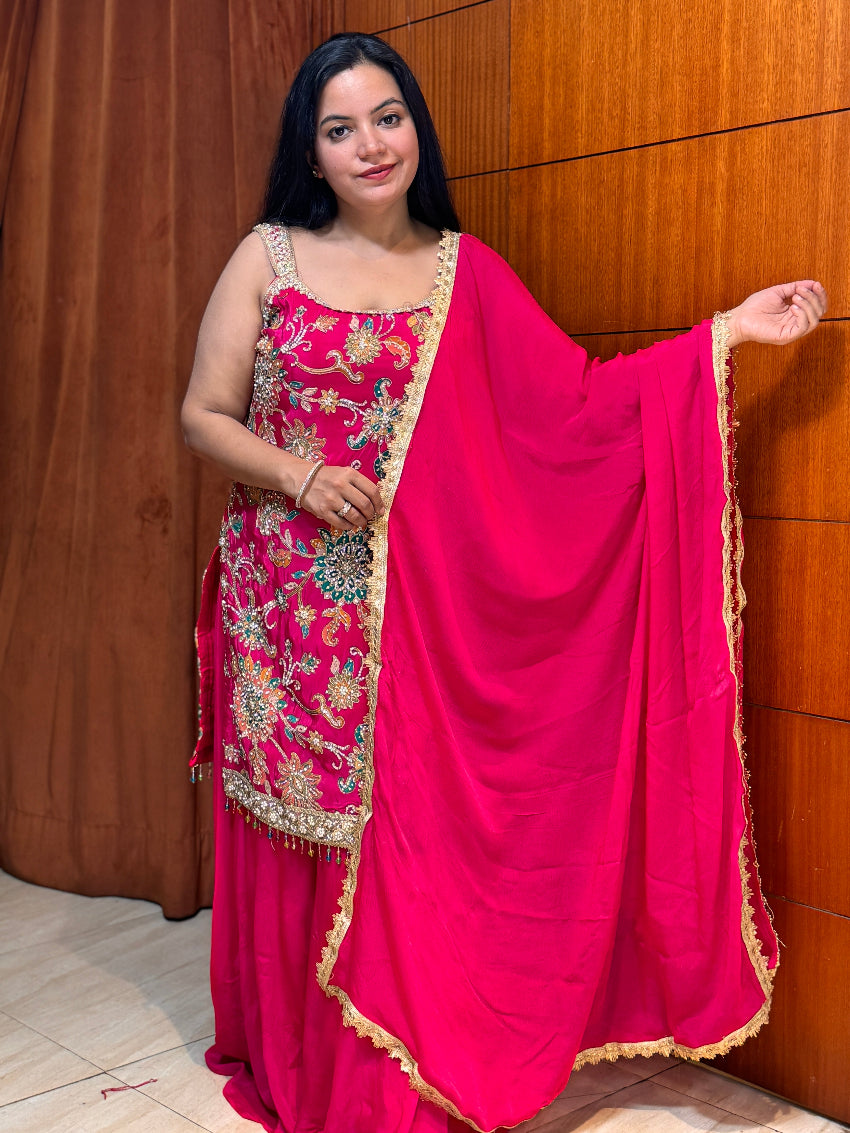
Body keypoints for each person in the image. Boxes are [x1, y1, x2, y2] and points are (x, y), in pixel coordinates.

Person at [181, 32, 827, 1133]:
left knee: (395, 833)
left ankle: (381, 1079)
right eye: (339, 129)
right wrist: (298, 475)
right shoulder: (268, 256)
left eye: (387, 116)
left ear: (417, 125)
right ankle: (297, 1052)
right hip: (284, 604)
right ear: (312, 150)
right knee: (303, 830)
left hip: (417, 617)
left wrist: (721, 335)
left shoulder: (462, 272)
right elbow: (202, 415)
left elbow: (570, 410)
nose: (369, 144)